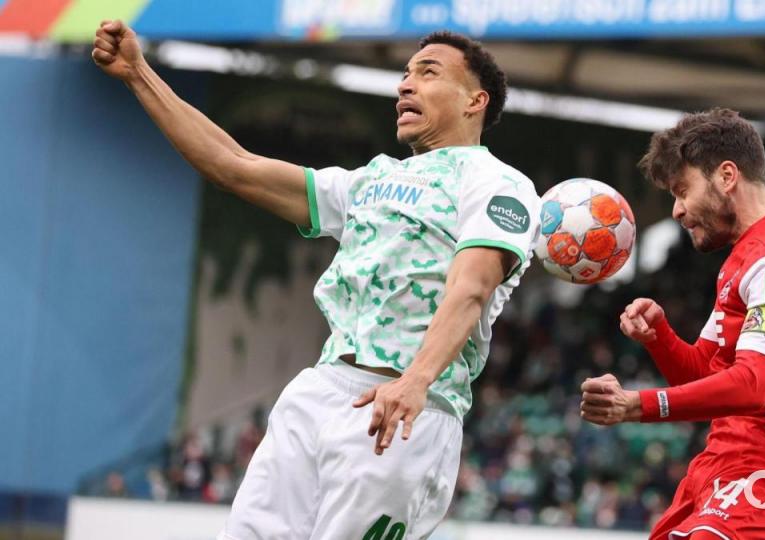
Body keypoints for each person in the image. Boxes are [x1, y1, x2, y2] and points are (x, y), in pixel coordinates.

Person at [92, 20, 540, 540]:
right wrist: (138, 73)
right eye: (404, 74)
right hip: (319, 391)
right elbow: (234, 165)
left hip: (404, 408)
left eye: (427, 72)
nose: (405, 84)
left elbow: (472, 286)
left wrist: (415, 380)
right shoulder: (369, 180)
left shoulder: (499, 185)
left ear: (474, 101)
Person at [580, 108, 765, 539]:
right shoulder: (743, 260)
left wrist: (637, 405)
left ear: (727, 176)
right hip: (722, 466)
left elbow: (752, 385)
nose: (676, 210)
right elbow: (705, 374)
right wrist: (661, 339)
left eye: (682, 190)